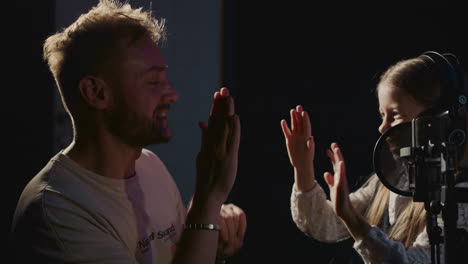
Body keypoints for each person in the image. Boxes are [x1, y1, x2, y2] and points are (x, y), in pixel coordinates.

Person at [10, 0, 246, 263]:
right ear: (96, 92)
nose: (173, 94)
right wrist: (208, 199)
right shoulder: (56, 210)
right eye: (154, 81)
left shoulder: (151, 166)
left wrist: (213, 237)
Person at [281, 54, 468, 263]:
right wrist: (303, 169)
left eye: (395, 115)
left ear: (439, 118)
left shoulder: (459, 196)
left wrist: (352, 218)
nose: (382, 127)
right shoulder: (393, 179)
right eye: (382, 116)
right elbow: (324, 225)